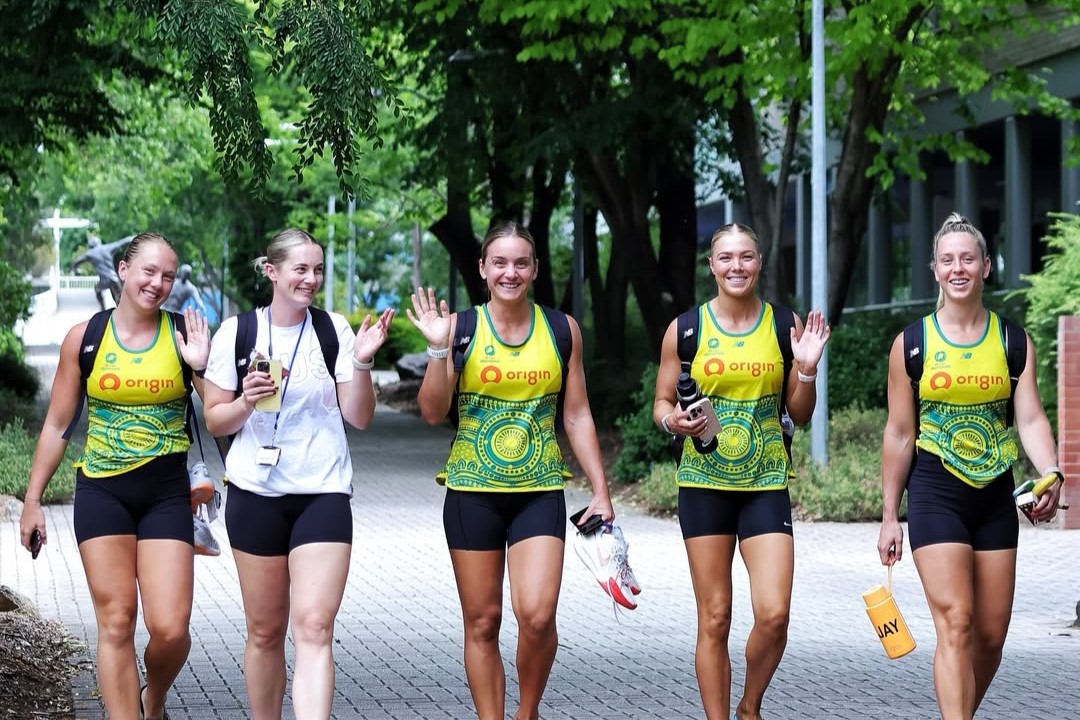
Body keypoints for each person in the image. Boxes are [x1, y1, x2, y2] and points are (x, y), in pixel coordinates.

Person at [406, 221, 614, 720]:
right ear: (482, 269)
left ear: (535, 269)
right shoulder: (460, 328)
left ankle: (527, 711)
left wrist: (601, 490)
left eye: (521, 262)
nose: (510, 272)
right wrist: (437, 349)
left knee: (538, 616)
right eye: (499, 262)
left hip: (539, 490)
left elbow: (577, 413)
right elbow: (433, 411)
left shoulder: (562, 330)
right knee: (483, 622)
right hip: (471, 492)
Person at [201, 228, 394, 720]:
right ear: (272, 271)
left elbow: (360, 417)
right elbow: (215, 420)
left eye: (318, 269)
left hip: (323, 493)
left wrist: (363, 362)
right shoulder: (237, 332)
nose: (311, 279)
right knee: (265, 631)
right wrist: (246, 398)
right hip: (255, 492)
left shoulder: (334, 331)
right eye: (300, 269)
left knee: (314, 627)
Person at [876, 213, 1063, 720]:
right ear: (935, 271)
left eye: (968, 259)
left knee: (990, 635)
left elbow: (1030, 419)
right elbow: (899, 433)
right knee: (955, 622)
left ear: (985, 267)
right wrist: (891, 514)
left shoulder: (1012, 342)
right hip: (936, 492)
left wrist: (1053, 472)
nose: (958, 268)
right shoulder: (911, 345)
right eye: (947, 260)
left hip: (995, 496)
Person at [20, 232, 210, 720]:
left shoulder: (185, 335)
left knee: (170, 627)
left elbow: (222, 415)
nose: (158, 283)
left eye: (168, 275)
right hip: (102, 490)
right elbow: (59, 424)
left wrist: (203, 370)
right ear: (123, 270)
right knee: (116, 621)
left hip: (167, 493)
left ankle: (155, 698)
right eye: (149, 271)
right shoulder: (84, 338)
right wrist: (32, 499)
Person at [652, 223, 830, 720]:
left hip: (765, 484)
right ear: (711, 265)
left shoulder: (782, 325)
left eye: (746, 257)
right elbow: (662, 401)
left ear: (759, 262)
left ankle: (749, 706)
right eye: (726, 257)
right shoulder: (686, 329)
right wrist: (673, 421)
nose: (736, 266)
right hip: (704, 484)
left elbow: (799, 411)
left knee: (774, 615)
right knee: (715, 617)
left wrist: (808, 368)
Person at [71, 233, 132, 311]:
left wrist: (75, 271)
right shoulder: (108, 248)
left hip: (104, 281)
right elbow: (123, 241)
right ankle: (124, 311)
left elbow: (76, 261)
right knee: (120, 297)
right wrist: (136, 237)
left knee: (97, 289)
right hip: (114, 279)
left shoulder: (91, 253)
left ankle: (103, 309)